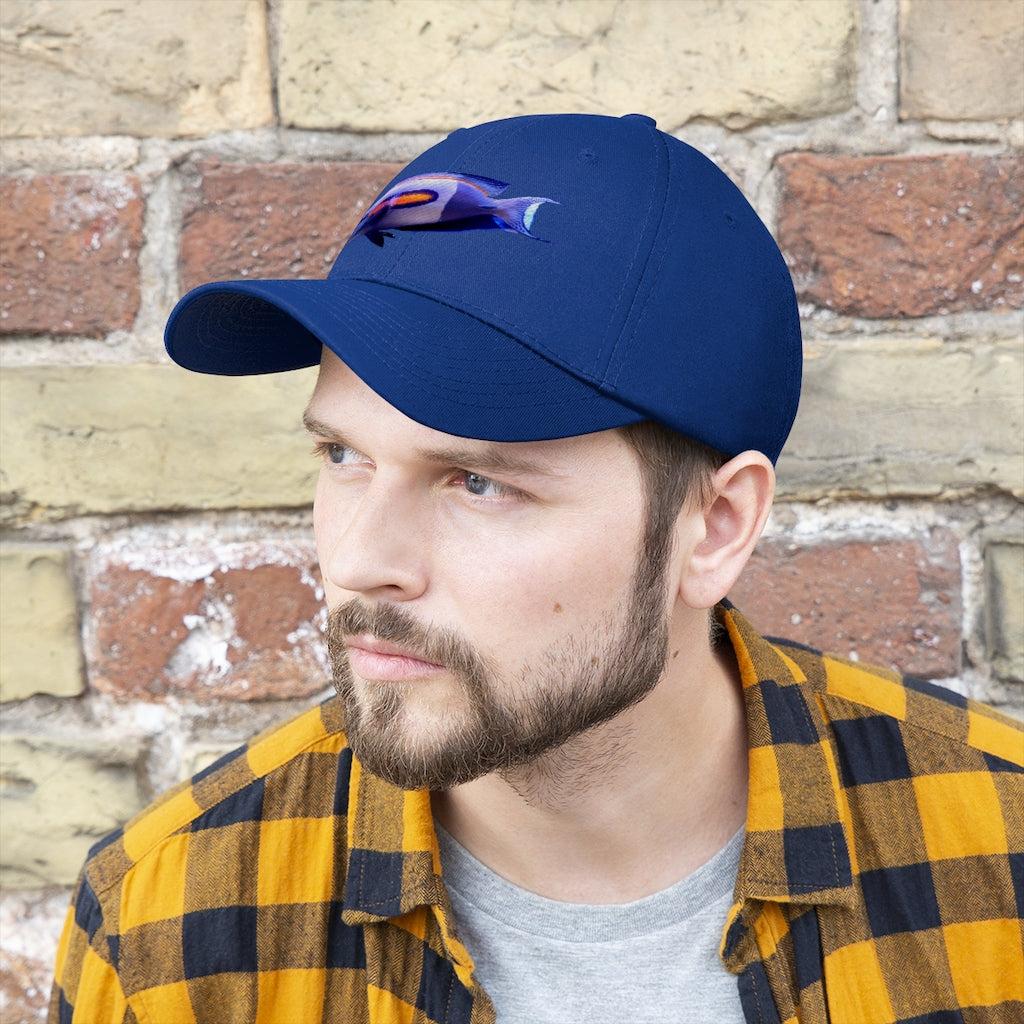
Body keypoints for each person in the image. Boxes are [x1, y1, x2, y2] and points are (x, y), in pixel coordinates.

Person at [51, 113, 1023, 1024]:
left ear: (715, 525)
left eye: (476, 481)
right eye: (344, 457)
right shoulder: (167, 929)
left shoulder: (998, 853)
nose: (358, 561)